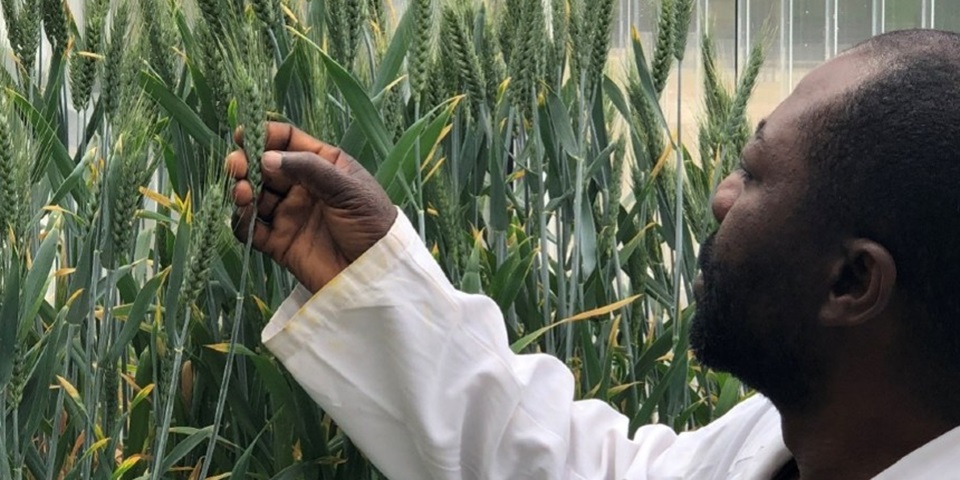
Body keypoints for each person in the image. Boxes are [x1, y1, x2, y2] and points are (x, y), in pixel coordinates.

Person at [225, 29, 960, 479]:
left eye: (756, 172)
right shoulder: (791, 445)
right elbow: (567, 467)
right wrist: (371, 275)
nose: (722, 197)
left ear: (853, 280)